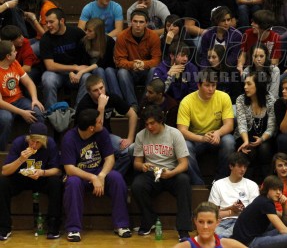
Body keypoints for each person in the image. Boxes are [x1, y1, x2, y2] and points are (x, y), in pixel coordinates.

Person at [61, 109, 131, 242]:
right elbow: (69, 169)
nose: (102, 122)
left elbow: (110, 158)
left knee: (116, 178)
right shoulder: (69, 138)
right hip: (80, 175)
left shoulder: (102, 132)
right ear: (91, 128)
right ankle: (73, 228)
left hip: (99, 172)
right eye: (99, 121)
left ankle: (121, 225)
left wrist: (102, 175)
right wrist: (93, 178)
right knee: (72, 183)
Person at [132, 105, 192, 241]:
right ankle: (150, 220)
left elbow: (184, 164)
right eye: (146, 124)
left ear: (161, 120)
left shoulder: (174, 134)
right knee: (137, 185)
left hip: (172, 172)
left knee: (184, 181)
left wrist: (171, 173)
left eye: (152, 123)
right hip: (152, 173)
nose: (149, 127)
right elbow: (137, 163)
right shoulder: (141, 135)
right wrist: (142, 166)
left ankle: (183, 229)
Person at [0, 122, 63, 240]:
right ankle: (4, 227)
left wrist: (42, 172)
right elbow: (5, 171)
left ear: (44, 141)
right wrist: (20, 159)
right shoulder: (19, 143)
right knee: (2, 183)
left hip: (41, 178)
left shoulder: (50, 144)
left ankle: (53, 226)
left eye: (38, 142)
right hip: (21, 178)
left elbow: (57, 170)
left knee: (56, 183)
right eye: (31, 141)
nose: (33, 145)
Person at [177, 69, 235, 184]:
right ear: (198, 85)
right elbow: (182, 130)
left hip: (216, 136)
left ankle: (219, 181)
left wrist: (218, 133)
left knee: (229, 141)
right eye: (207, 85)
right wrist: (201, 138)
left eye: (213, 85)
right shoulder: (187, 101)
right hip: (196, 138)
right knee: (185, 146)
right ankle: (198, 184)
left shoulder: (224, 97)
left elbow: (229, 125)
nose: (211, 89)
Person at [75, 75, 137, 175]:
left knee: (128, 151)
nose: (100, 92)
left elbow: (133, 115)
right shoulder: (84, 105)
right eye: (95, 90)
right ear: (89, 92)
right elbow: (98, 128)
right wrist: (101, 107)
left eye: (101, 88)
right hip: (87, 139)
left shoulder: (111, 97)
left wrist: (130, 138)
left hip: (105, 136)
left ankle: (109, 177)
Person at [231, 175, 287, 247]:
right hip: (247, 243)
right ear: (267, 190)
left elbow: (285, 223)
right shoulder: (265, 203)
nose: (278, 192)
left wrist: (284, 205)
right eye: (274, 189)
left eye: (280, 190)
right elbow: (283, 229)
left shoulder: (264, 199)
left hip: (257, 234)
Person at [39, 8, 91, 108]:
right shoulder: (45, 39)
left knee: (87, 77)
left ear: (61, 21)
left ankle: (79, 111)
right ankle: (52, 113)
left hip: (76, 73)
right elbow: (50, 66)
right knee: (48, 79)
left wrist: (77, 71)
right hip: (56, 73)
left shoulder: (77, 33)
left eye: (51, 22)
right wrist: (73, 68)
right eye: (47, 22)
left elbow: (86, 57)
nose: (48, 25)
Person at [0, 40, 45, 150]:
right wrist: (22, 112)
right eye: (14, 51)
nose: (16, 52)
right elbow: (0, 103)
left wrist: (35, 99)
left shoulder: (14, 63)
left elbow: (29, 83)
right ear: (8, 56)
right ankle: (1, 151)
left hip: (19, 99)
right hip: (4, 105)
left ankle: (37, 148)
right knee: (5, 119)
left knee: (38, 112)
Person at [114, 9, 161, 109]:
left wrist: (143, 64)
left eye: (141, 22)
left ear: (146, 23)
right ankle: (133, 105)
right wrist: (133, 65)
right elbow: (119, 61)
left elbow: (157, 60)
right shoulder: (122, 36)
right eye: (135, 21)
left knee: (154, 70)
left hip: (146, 71)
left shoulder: (153, 36)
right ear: (130, 22)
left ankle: (144, 104)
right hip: (130, 71)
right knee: (122, 72)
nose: (138, 25)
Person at [234, 72, 276, 182]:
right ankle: (246, 185)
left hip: (265, 137)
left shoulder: (270, 100)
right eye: (244, 84)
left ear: (258, 85)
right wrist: (246, 141)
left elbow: (272, 126)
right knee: (249, 151)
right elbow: (241, 123)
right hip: (245, 137)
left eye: (249, 84)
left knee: (264, 149)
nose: (245, 87)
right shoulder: (240, 99)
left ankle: (267, 183)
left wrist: (262, 139)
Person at [208, 152, 259, 239]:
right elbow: (211, 213)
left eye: (245, 167)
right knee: (214, 235)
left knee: (219, 238)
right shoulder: (218, 184)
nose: (243, 169)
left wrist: (238, 212)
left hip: (242, 221)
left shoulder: (252, 185)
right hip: (222, 222)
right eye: (240, 166)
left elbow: (254, 213)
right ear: (231, 166)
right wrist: (231, 210)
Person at [174, 202, 248, 248]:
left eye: (209, 222)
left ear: (217, 222)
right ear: (195, 221)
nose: (205, 227)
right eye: (201, 222)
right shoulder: (185, 246)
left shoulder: (228, 244)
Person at [81, 17, 120, 97]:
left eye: (90, 31)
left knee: (107, 71)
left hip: (107, 67)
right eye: (86, 30)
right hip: (90, 69)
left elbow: (103, 62)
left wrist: (81, 72)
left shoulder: (109, 41)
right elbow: (83, 61)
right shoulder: (84, 42)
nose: (86, 33)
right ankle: (104, 97)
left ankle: (116, 98)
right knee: (99, 70)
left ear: (98, 32)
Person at [197, 6, 243, 70]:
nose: (226, 23)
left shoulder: (237, 35)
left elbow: (234, 57)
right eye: (223, 20)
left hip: (228, 69)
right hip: (210, 68)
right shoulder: (207, 35)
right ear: (216, 21)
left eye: (228, 20)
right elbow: (204, 57)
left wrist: (221, 69)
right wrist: (205, 70)